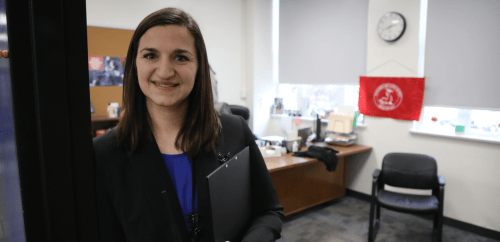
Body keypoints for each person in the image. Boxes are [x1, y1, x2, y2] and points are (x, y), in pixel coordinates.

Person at [92, 7, 284, 242]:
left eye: (180, 57)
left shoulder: (234, 131)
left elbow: (269, 212)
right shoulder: (104, 153)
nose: (164, 71)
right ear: (134, 64)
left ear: (198, 66)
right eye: (150, 55)